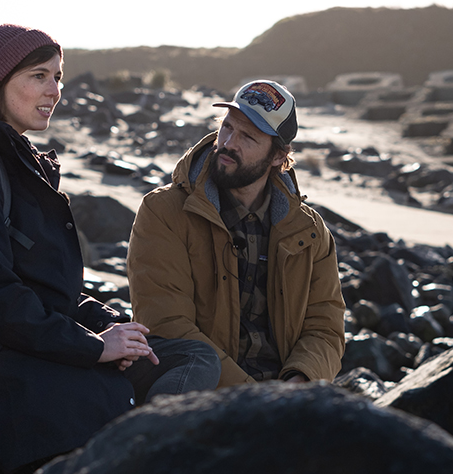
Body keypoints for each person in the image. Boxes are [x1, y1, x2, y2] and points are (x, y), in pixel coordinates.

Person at [0, 24, 218, 474]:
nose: (54, 90)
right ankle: (142, 472)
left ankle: (148, 456)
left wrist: (107, 324)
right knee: (121, 407)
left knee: (192, 356)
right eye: (39, 76)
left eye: (58, 76)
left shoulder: (11, 155)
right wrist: (94, 349)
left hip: (37, 339)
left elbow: (48, 285)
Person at [126, 80, 346, 387]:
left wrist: (298, 383)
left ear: (278, 157)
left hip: (287, 394)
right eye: (227, 127)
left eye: (248, 137)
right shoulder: (164, 211)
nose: (229, 143)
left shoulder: (309, 232)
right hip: (200, 388)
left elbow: (326, 326)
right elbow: (166, 323)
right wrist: (250, 397)